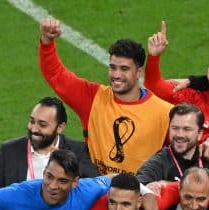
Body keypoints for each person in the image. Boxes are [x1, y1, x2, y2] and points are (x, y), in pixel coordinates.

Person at [38, 17, 172, 175]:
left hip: (139, 194)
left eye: (124, 69)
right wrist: (47, 42)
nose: (116, 75)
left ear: (138, 72)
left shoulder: (165, 112)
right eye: (113, 67)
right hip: (97, 192)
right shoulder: (93, 98)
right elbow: (56, 75)